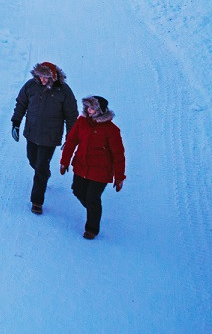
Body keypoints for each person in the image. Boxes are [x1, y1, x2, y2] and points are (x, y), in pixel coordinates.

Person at [11, 61, 78, 214]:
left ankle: (37, 201)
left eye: (45, 77)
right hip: (32, 133)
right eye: (40, 76)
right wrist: (16, 122)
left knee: (40, 167)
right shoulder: (31, 86)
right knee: (32, 159)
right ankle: (45, 174)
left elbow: (72, 115)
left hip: (50, 136)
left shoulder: (64, 91)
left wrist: (70, 137)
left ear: (53, 77)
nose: (42, 79)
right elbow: (21, 103)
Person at [60, 95, 126, 240]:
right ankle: (93, 211)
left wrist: (119, 177)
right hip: (81, 166)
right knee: (77, 191)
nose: (89, 110)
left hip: (101, 171)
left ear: (101, 110)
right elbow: (71, 141)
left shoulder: (112, 130)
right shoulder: (82, 122)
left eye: (93, 108)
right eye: (88, 107)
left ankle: (92, 228)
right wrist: (64, 161)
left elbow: (118, 155)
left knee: (92, 198)